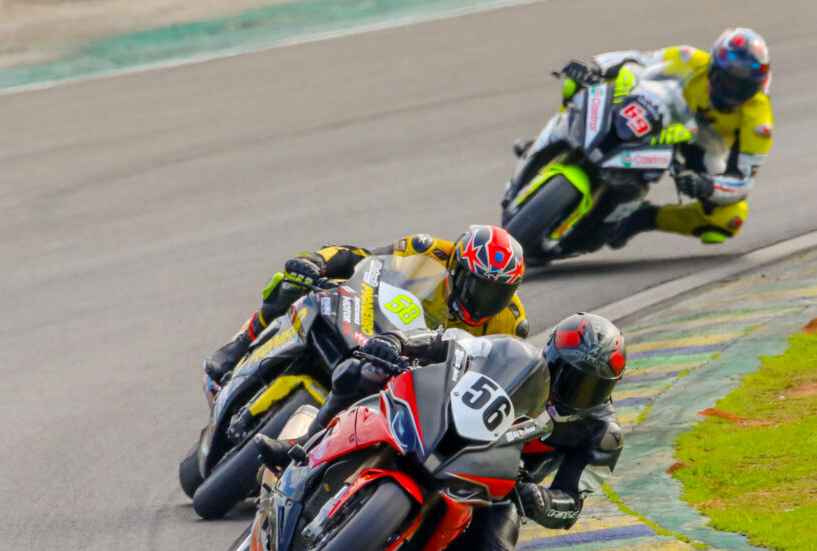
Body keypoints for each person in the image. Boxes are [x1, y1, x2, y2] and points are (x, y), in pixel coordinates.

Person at [257, 312, 627, 551]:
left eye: (592, 387)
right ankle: (302, 443)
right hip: (444, 421)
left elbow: (571, 503)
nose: (576, 391)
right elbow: (451, 342)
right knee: (362, 372)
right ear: (552, 356)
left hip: (499, 483)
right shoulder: (516, 355)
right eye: (571, 376)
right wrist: (399, 341)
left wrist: (540, 500)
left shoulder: (601, 435)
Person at [204, 225, 529, 383]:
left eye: (496, 293)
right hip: (370, 326)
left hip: (417, 380)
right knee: (292, 283)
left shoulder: (512, 323)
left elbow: (498, 378)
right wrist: (317, 261)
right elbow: (363, 258)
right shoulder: (429, 250)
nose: (483, 299)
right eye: (476, 285)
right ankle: (242, 343)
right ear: (456, 267)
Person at [546, 28, 772, 248]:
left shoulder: (759, 122)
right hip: (667, 113)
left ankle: (642, 218)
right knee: (576, 84)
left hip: (703, 147)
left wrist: (708, 186)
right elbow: (638, 59)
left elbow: (743, 181)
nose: (731, 91)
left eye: (741, 88)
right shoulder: (689, 58)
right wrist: (596, 66)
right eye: (725, 80)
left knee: (729, 218)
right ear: (713, 66)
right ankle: (556, 140)